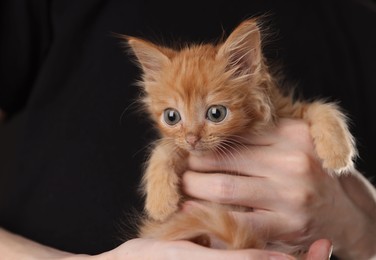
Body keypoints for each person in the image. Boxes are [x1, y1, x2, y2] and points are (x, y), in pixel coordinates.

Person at [0, 0, 375, 259]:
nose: (192, 137)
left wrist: (359, 226)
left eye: (214, 113)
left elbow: (301, 112)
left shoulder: (360, 26)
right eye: (173, 118)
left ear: (248, 69)